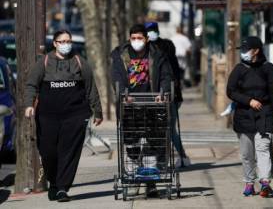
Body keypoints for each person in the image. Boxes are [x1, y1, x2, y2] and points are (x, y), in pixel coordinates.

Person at [24, 30, 103, 202]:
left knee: (69, 152)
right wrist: (29, 105)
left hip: (75, 114)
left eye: (68, 41)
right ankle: (53, 182)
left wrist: (97, 111)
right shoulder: (43, 63)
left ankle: (62, 188)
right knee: (48, 152)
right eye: (62, 41)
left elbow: (91, 88)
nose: (66, 44)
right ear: (55, 43)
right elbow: (31, 85)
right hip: (47, 115)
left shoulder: (80, 62)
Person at [111, 24, 172, 197]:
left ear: (146, 39)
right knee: (131, 145)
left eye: (139, 38)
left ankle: (150, 182)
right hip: (129, 107)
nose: (136, 41)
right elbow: (116, 77)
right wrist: (124, 94)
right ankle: (132, 178)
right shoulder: (120, 56)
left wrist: (163, 93)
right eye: (133, 38)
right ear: (129, 39)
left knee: (152, 145)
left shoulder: (157, 54)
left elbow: (166, 76)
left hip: (152, 105)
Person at [226, 36, 273, 198]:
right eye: (242, 50)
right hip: (244, 115)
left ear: (256, 51)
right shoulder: (239, 69)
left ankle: (265, 182)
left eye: (246, 50)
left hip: (264, 114)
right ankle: (249, 183)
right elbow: (230, 91)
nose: (243, 53)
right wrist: (249, 101)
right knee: (247, 153)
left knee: (263, 148)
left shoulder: (268, 68)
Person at [145, 21, 190, 167]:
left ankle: (178, 156)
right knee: (162, 129)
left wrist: (176, 93)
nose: (151, 33)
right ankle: (168, 157)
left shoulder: (166, 47)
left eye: (153, 30)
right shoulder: (145, 48)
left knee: (169, 128)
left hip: (170, 93)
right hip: (154, 95)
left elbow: (173, 72)